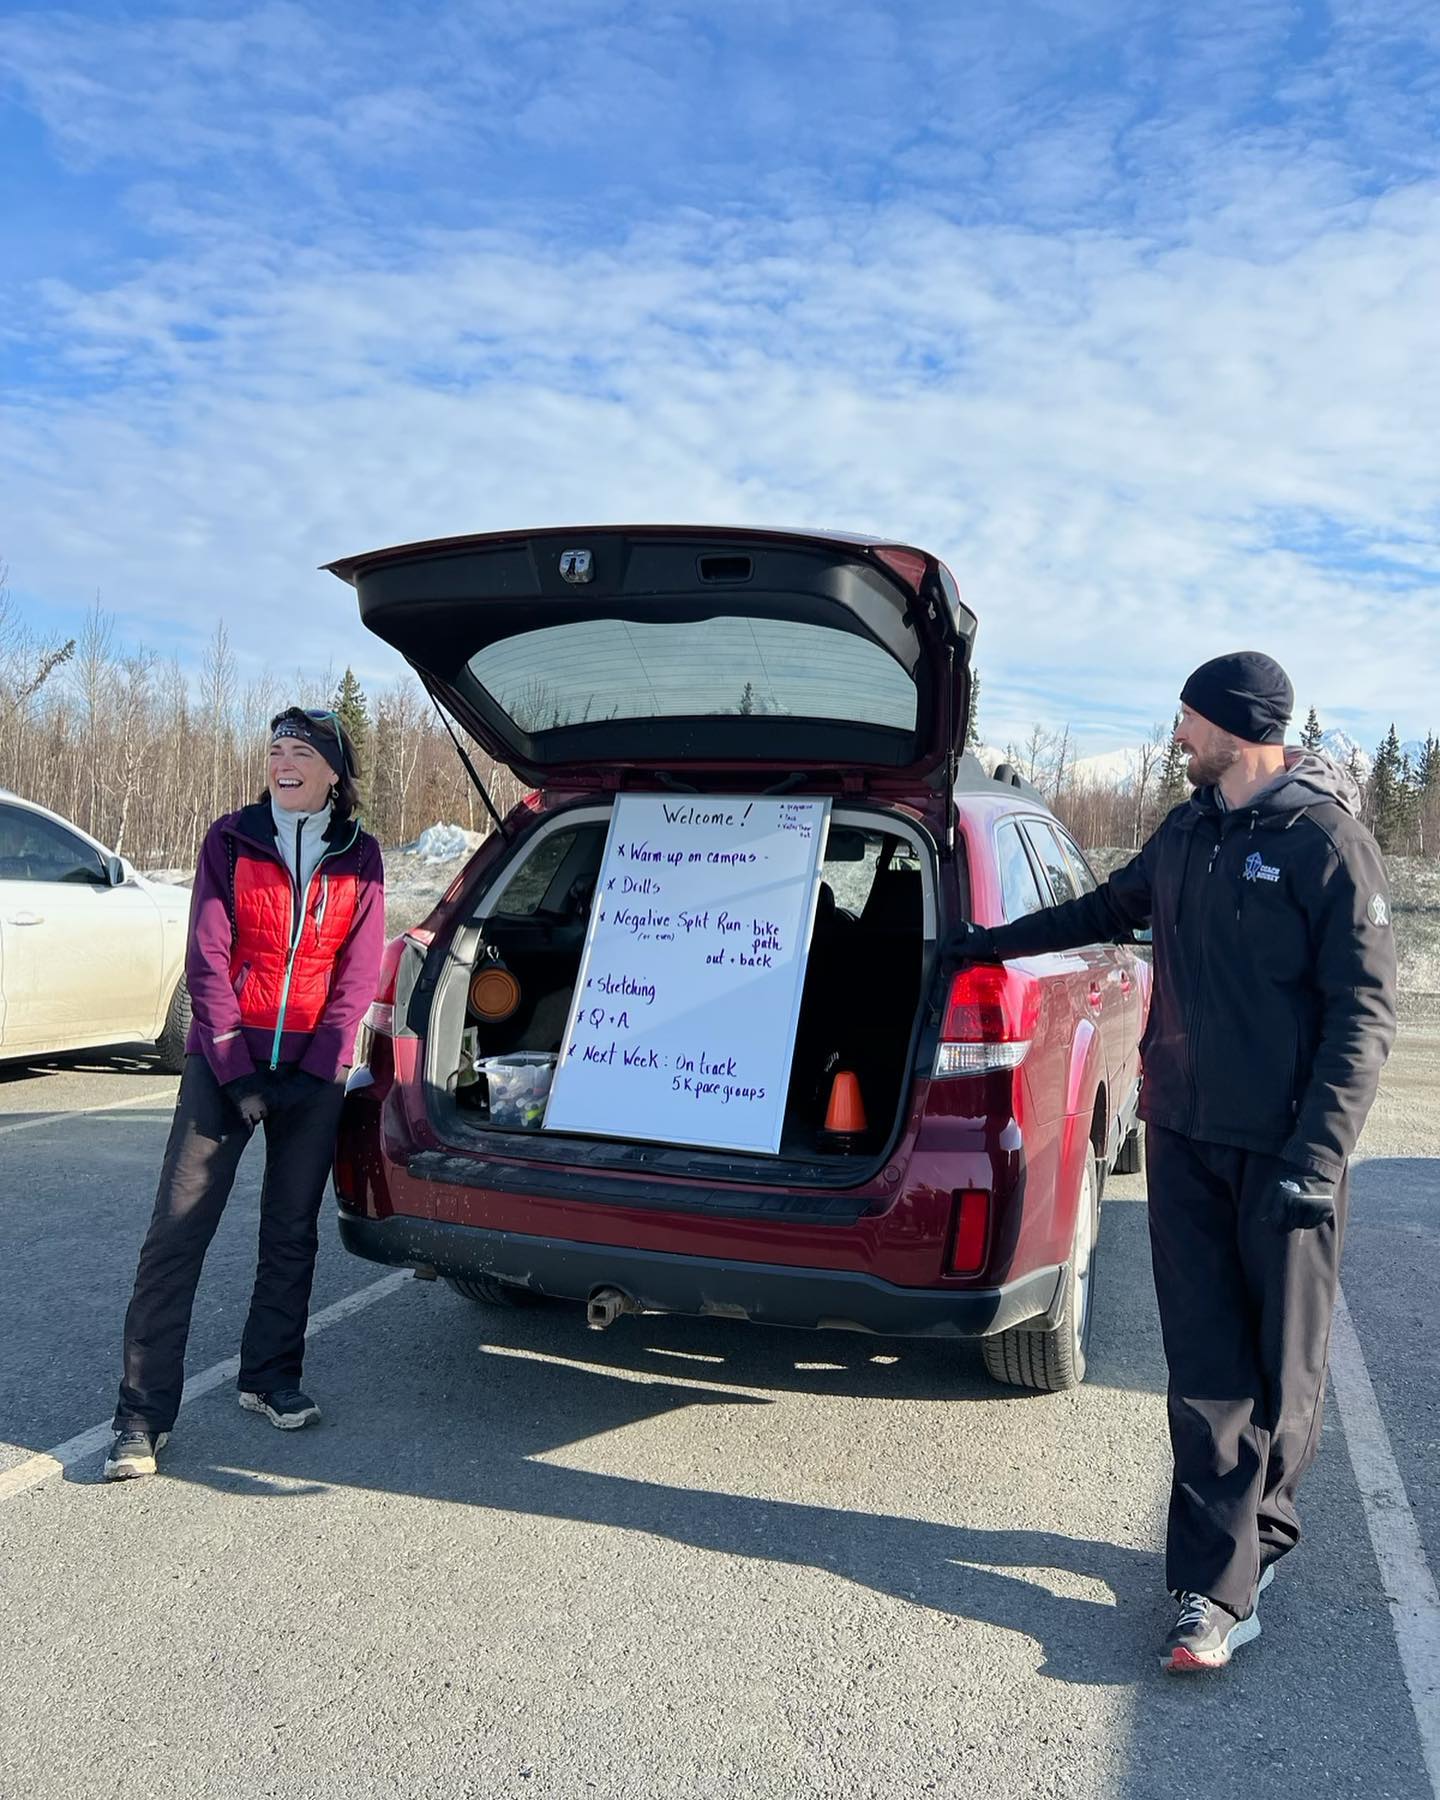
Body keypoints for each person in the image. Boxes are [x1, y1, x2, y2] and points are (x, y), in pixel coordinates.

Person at [949, 652, 1396, 1672]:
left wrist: (1319, 1156)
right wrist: (982, 946)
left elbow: (1365, 1015)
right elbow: (1103, 911)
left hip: (1287, 1153)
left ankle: (1257, 1541)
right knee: (1204, 1367)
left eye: (1188, 719)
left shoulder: (1328, 843)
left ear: (1238, 727)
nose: (1177, 734)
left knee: (1283, 1375)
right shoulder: (1190, 831)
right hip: (1188, 1139)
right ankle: (1216, 1590)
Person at [105, 708, 385, 1480]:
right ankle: (140, 1417)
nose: (284, 762)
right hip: (223, 1066)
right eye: (275, 751)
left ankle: (269, 1380)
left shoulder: (360, 855)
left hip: (313, 1073)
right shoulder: (231, 839)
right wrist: (234, 1069)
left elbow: (359, 972)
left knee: (291, 1233)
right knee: (175, 1236)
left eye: (301, 752)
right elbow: (207, 954)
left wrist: (317, 1065)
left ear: (333, 770)